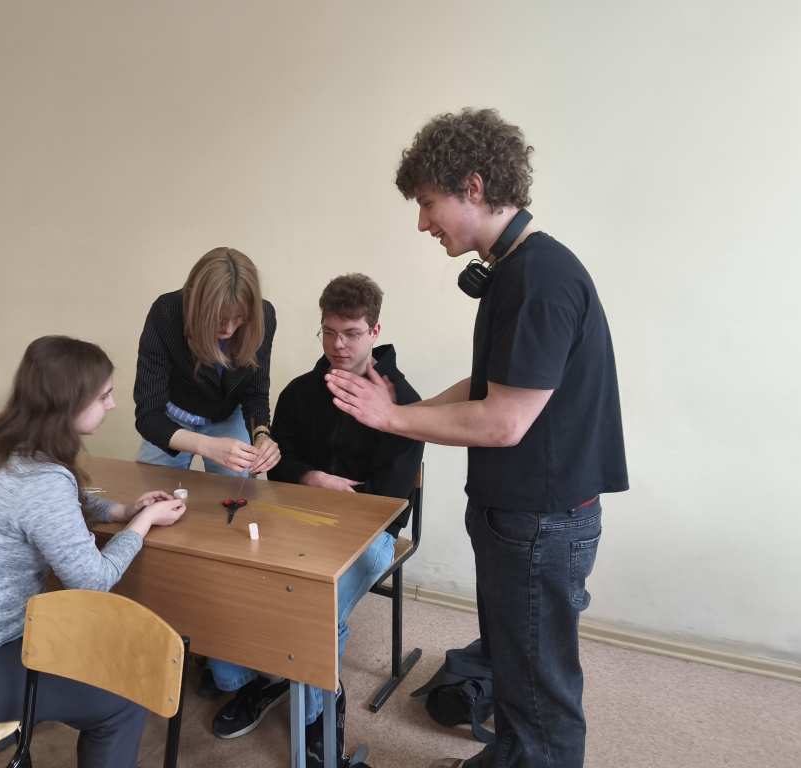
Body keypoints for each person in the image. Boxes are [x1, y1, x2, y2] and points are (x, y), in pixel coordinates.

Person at [325, 109, 628, 768]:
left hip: (540, 522)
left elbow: (502, 420)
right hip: (518, 517)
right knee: (513, 671)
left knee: (542, 694)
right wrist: (407, 407)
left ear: (473, 186)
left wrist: (393, 419)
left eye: (427, 203)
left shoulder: (540, 281)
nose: (422, 223)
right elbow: (494, 381)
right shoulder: (516, 270)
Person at [0, 336, 188, 768]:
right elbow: (94, 580)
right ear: (68, 402)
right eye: (103, 396)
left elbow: (55, 507)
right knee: (124, 700)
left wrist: (121, 510)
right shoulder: (41, 480)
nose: (112, 405)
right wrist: (143, 523)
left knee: (98, 648)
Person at [209, 274, 424, 768]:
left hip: (370, 532)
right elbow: (278, 462)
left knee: (313, 609)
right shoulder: (300, 391)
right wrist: (311, 477)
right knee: (229, 572)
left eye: (351, 334)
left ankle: (321, 708)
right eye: (329, 332)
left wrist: (332, 497)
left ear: (375, 331)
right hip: (293, 514)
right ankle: (262, 680)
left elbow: (389, 501)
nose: (338, 345)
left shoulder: (403, 403)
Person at [134, 247, 281, 476]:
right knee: (152, 490)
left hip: (228, 415)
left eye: (239, 318)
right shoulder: (165, 313)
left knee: (236, 492)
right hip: (172, 416)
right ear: (192, 300)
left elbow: (255, 393)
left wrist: (261, 435)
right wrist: (207, 445)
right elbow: (148, 414)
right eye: (219, 319)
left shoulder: (264, 316)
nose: (229, 329)